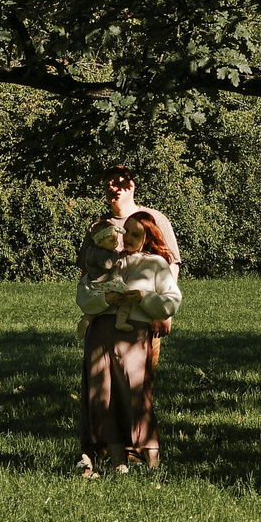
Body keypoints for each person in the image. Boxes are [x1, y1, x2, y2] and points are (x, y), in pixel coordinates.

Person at [74, 168, 183, 477]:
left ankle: (142, 455)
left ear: (132, 185)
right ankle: (114, 457)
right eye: (109, 184)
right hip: (105, 320)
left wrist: (163, 313)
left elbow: (170, 267)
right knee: (103, 389)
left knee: (136, 387)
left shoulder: (152, 218)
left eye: (121, 183)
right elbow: (90, 273)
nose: (115, 189)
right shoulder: (100, 226)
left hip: (143, 320)